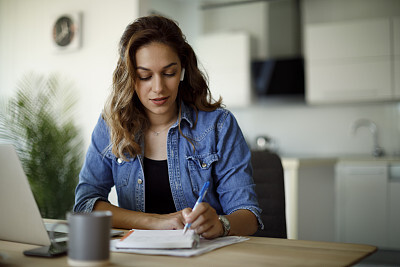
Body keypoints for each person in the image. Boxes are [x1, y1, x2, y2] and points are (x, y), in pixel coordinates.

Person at [74, 15, 262, 239]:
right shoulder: (111, 125)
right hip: (137, 257)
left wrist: (221, 224)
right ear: (130, 77)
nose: (158, 88)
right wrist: (154, 222)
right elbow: (86, 204)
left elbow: (249, 216)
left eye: (169, 73)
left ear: (182, 69)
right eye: (144, 76)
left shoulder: (218, 125)